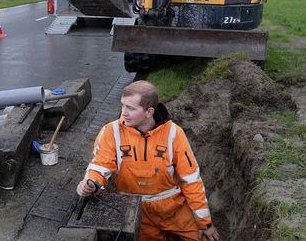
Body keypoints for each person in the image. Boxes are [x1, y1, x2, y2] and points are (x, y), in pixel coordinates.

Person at [77, 80, 221, 241]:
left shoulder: (174, 134)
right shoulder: (112, 132)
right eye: (122, 105)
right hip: (135, 210)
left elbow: (191, 180)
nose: (123, 112)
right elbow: (100, 166)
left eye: (130, 108)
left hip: (173, 208)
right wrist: (91, 183)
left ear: (149, 111)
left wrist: (204, 223)